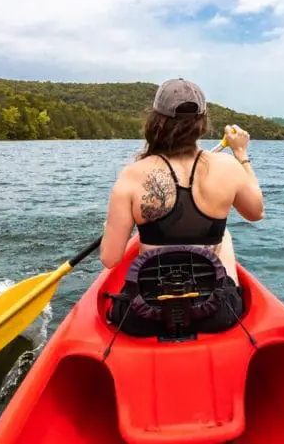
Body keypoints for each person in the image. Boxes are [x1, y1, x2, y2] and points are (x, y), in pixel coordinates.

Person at [100, 77, 264, 335]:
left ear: (156, 121)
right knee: (225, 235)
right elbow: (256, 212)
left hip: (144, 317)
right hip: (216, 312)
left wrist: (111, 226)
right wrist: (242, 156)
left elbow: (110, 259)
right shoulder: (228, 168)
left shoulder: (132, 175)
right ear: (202, 124)